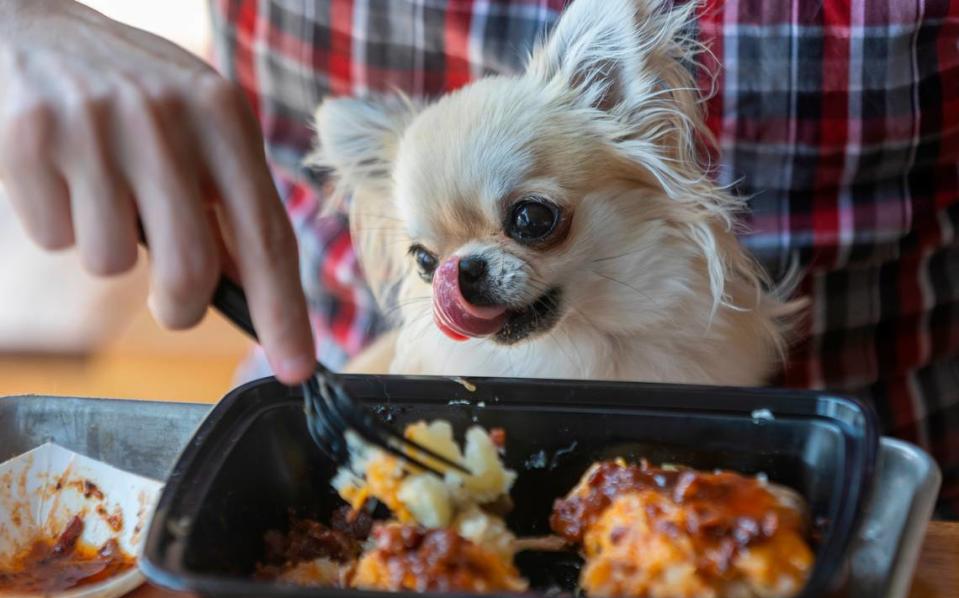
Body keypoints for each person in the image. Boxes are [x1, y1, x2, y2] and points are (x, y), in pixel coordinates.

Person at [1, 0, 956, 518]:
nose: (464, 275)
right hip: (345, 442)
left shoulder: (722, 339)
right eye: (430, 260)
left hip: (883, 468)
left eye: (532, 220)